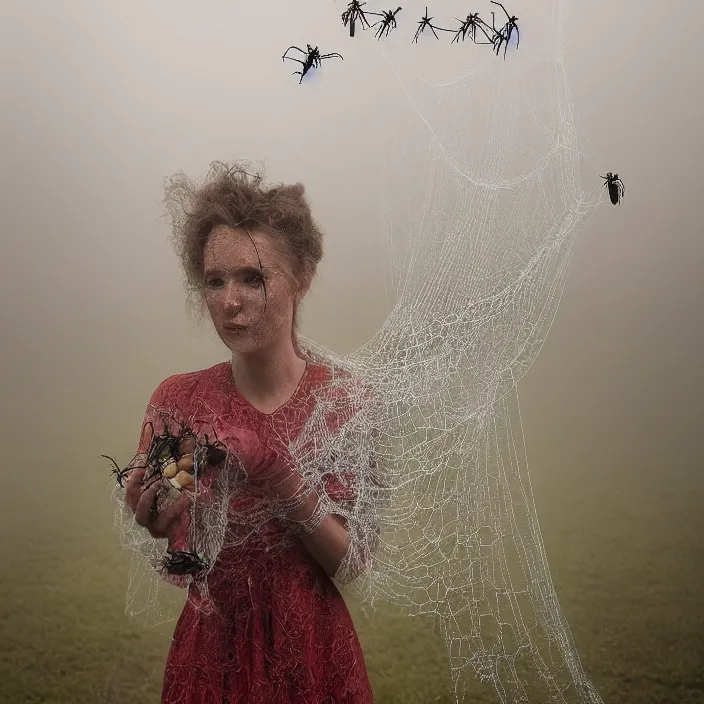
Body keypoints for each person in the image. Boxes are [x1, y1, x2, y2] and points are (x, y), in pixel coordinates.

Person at [122, 162, 377, 703]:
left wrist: (277, 472)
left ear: (302, 278)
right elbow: (178, 535)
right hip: (211, 657)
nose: (228, 301)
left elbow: (351, 563)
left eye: (252, 278)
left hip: (312, 657)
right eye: (214, 280)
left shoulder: (344, 403)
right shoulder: (178, 402)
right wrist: (160, 515)